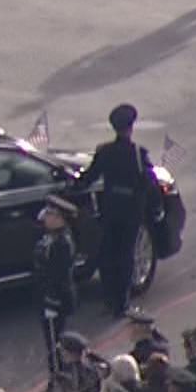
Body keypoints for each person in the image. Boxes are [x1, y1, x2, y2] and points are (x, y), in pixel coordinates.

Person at [75, 103, 152, 317]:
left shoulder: (105, 152)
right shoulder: (138, 153)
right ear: (131, 127)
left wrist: (72, 184)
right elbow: (148, 182)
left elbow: (89, 177)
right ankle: (123, 302)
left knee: (108, 254)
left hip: (110, 209)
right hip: (131, 212)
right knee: (126, 255)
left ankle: (110, 299)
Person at [34, 196, 81, 372]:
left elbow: (58, 276)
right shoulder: (49, 237)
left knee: (56, 345)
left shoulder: (62, 243)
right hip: (46, 296)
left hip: (56, 299)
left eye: (51, 214)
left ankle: (60, 377)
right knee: (51, 343)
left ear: (60, 219)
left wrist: (52, 301)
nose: (46, 217)